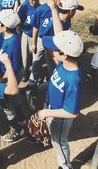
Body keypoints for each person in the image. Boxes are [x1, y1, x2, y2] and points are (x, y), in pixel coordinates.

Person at [39, 30, 84, 169]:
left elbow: (72, 112)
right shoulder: (64, 63)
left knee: (59, 141)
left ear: (64, 54)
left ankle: (65, 166)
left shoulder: (73, 79)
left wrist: (47, 113)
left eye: (54, 49)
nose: (51, 50)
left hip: (61, 117)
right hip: (52, 107)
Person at [0, 9, 26, 142]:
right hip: (8, 71)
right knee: (15, 98)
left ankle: (17, 129)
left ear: (5, 26)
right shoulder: (7, 35)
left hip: (11, 74)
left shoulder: (13, 43)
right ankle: (22, 119)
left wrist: (2, 81)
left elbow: (14, 68)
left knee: (6, 101)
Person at [30, 0, 68, 86]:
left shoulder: (62, 9)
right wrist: (34, 42)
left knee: (54, 62)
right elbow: (35, 27)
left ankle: (52, 80)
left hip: (54, 41)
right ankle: (32, 81)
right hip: (42, 40)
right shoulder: (41, 10)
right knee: (36, 61)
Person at [18, 0, 42, 82]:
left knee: (36, 58)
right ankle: (24, 73)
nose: (31, 1)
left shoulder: (41, 9)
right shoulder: (24, 6)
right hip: (26, 34)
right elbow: (19, 20)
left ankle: (35, 75)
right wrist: (20, 33)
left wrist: (35, 42)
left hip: (37, 37)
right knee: (25, 57)